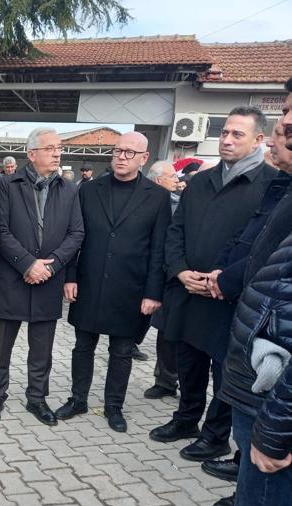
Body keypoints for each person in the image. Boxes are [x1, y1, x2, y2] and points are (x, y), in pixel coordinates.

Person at [151, 106, 277, 462]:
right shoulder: (201, 181)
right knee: (188, 362)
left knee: (224, 370)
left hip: (229, 297)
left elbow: (262, 244)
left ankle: (216, 435)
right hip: (189, 290)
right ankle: (186, 419)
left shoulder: (269, 184)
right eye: (224, 133)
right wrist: (179, 271)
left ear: (258, 140)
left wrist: (224, 279)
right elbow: (175, 231)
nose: (227, 139)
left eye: (237, 134)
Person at [216, 82, 292, 506]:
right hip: (259, 387)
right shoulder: (284, 190)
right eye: (286, 113)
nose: (284, 127)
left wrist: (278, 428)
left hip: (275, 401)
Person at [55, 132, 170, 432]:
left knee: (121, 352)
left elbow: (159, 249)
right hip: (90, 282)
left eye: (130, 153)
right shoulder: (90, 190)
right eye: (118, 151)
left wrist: (153, 292)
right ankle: (78, 399)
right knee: (82, 346)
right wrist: (70, 277)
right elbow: (74, 237)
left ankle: (113, 406)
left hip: (131, 288)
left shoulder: (157, 197)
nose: (121, 157)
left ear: (144, 158)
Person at [0, 128, 84, 425]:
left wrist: (50, 267)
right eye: (50, 148)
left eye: (59, 148)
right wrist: (28, 264)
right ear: (31, 154)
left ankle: (37, 399)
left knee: (41, 349)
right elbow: (0, 230)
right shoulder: (6, 184)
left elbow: (76, 232)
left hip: (48, 280)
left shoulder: (69, 188)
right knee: (1, 346)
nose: (57, 153)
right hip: (11, 278)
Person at [142, 160, 182, 400]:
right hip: (154, 274)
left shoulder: (182, 203)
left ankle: (177, 381)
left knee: (177, 331)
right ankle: (165, 381)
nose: (176, 179)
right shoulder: (148, 202)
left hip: (179, 274)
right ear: (158, 180)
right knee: (164, 329)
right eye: (172, 176)